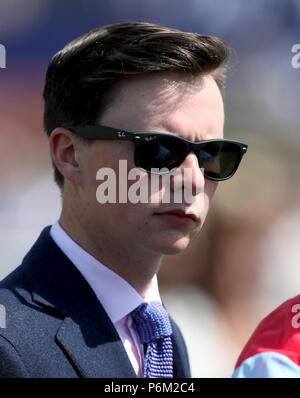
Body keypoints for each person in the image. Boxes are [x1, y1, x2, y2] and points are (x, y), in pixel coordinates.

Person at [0, 22, 247, 378]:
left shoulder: (162, 334)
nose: (193, 179)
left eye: (213, 155)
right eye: (161, 150)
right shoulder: (11, 348)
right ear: (70, 154)